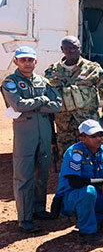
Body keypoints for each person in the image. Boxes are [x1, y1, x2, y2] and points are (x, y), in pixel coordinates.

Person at [1, 46, 62, 232]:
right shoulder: (11, 82)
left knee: (42, 172)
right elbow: (17, 104)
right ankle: (24, 217)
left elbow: (57, 105)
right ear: (16, 62)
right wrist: (42, 101)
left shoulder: (43, 82)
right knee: (23, 174)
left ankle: (38, 209)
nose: (27, 63)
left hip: (44, 130)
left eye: (30, 60)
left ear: (35, 62)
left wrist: (34, 104)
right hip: (25, 132)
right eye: (23, 59)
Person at [53, 120, 103, 245]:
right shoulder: (74, 153)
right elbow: (74, 181)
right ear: (82, 138)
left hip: (97, 197)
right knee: (88, 191)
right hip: (73, 198)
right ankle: (87, 232)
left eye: (100, 134)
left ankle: (85, 218)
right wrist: (99, 181)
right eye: (93, 136)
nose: (99, 138)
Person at [45, 36, 103, 158]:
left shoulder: (93, 69)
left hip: (88, 124)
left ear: (80, 48)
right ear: (62, 49)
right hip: (64, 127)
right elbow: (48, 98)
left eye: (74, 48)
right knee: (68, 157)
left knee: (95, 155)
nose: (71, 51)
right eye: (68, 48)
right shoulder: (52, 71)